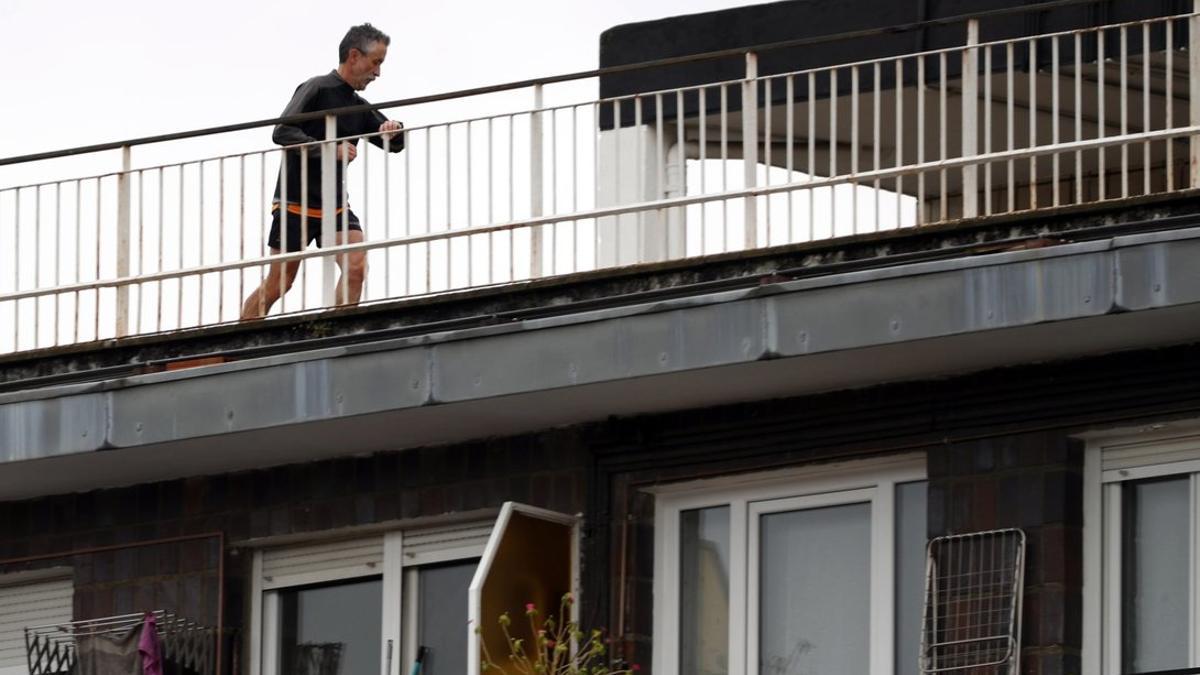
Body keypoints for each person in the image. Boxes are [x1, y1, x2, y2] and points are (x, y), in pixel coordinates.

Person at [241, 23, 404, 320]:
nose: (378, 72)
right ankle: (235, 343)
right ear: (354, 56)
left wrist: (393, 130)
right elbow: (282, 131)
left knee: (356, 267)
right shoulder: (316, 88)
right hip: (295, 202)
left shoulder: (358, 106)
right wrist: (330, 148)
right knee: (279, 283)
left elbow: (394, 144)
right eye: (375, 62)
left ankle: (336, 331)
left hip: (335, 206)